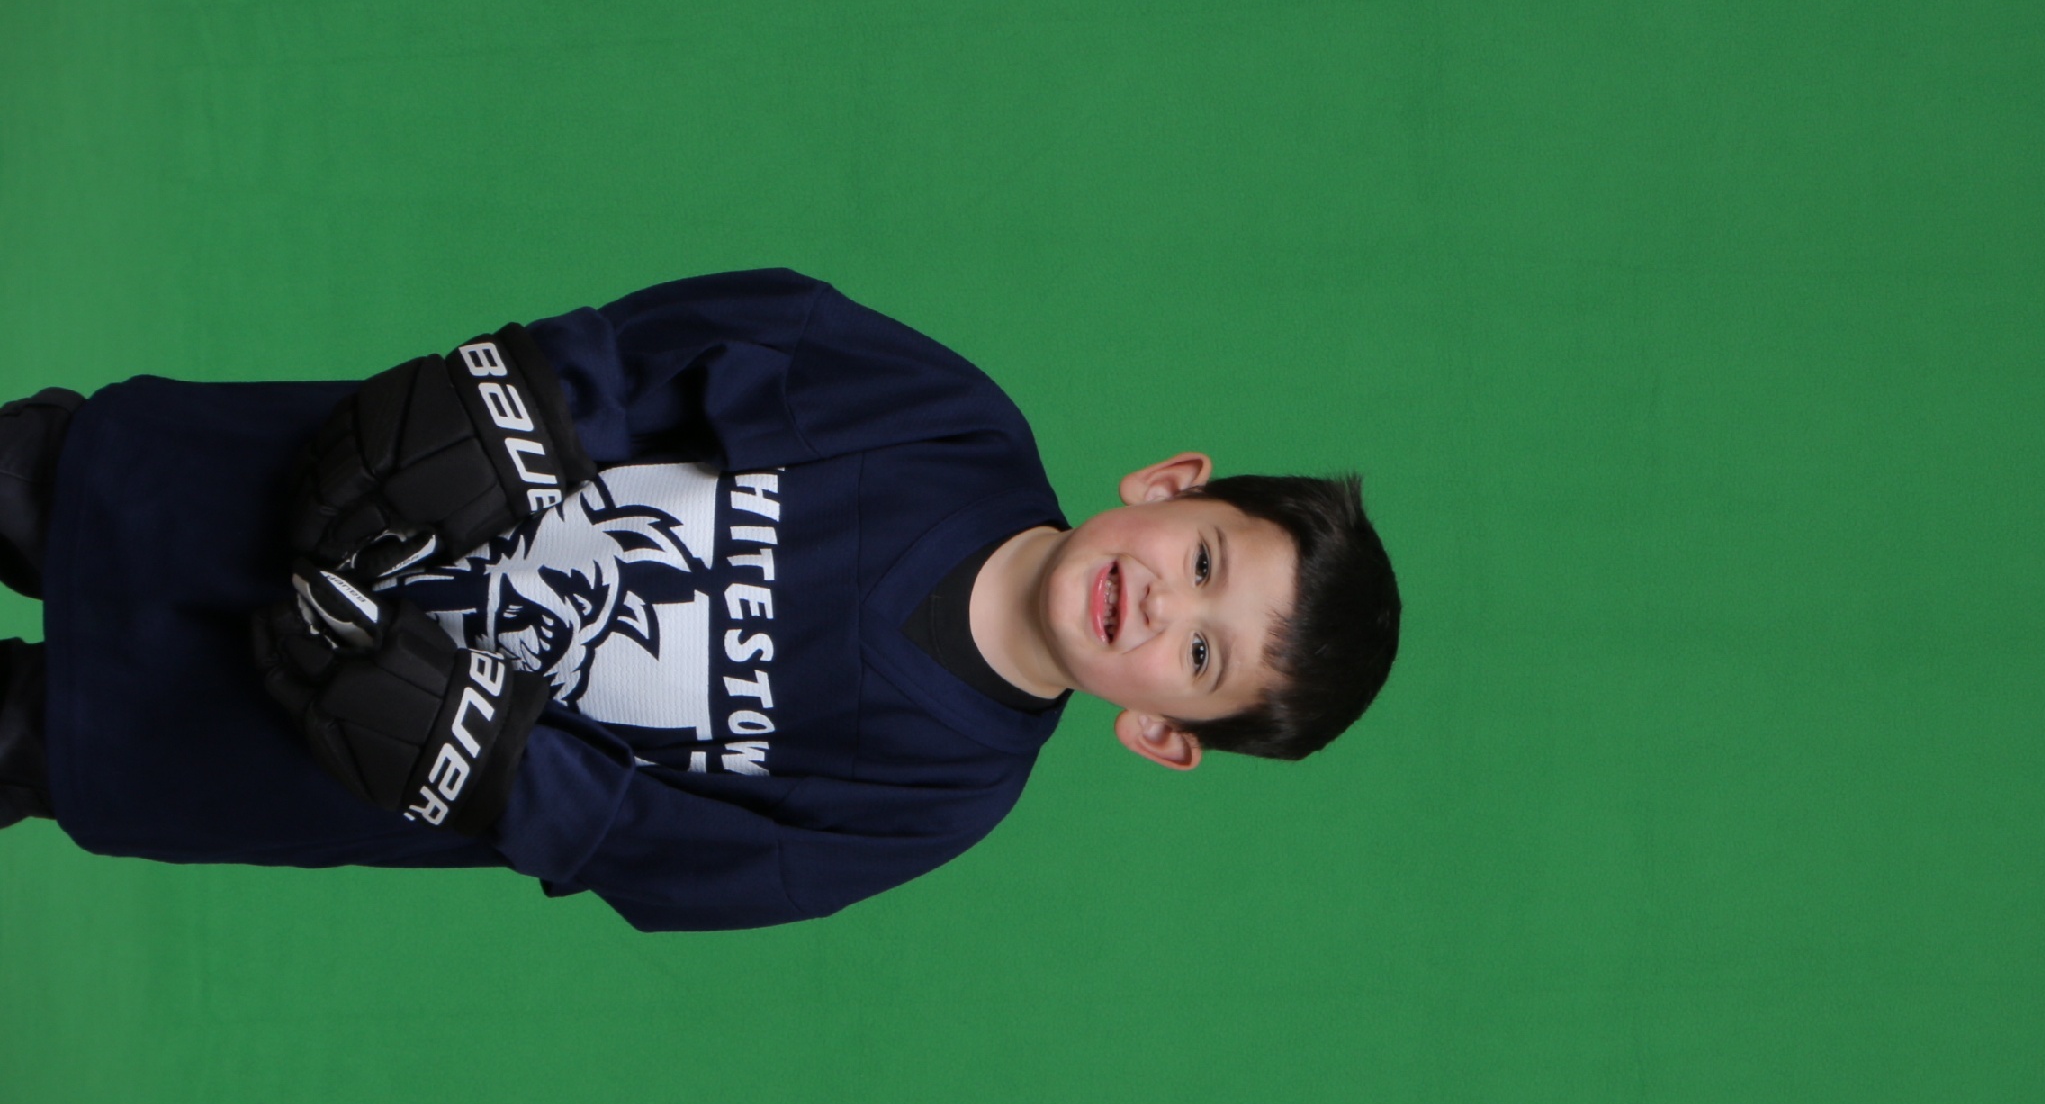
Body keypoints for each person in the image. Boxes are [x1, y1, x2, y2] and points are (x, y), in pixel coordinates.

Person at [0, 268, 1401, 932]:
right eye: (1204, 562)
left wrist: (493, 766)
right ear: (1167, 485)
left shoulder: (938, 796)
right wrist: (526, 409)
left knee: (41, 746)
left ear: (1162, 734)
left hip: (340, 740)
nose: (1160, 609)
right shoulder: (950, 427)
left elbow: (682, 859)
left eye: (1201, 658)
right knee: (50, 486)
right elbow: (740, 330)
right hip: (316, 486)